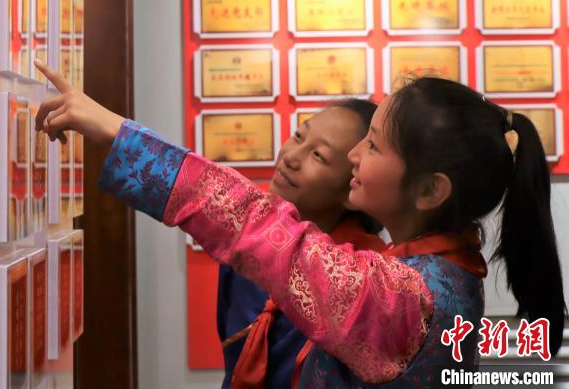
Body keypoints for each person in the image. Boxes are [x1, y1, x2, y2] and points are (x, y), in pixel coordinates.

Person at [34, 60, 566, 388]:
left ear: (430, 190)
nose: (355, 155)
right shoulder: (428, 277)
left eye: (373, 146)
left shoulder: (404, 300)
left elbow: (253, 225)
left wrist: (115, 132)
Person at [218, 100, 384, 389]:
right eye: (298, 136)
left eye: (318, 155)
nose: (291, 157)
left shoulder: (367, 276)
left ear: (353, 184)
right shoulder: (247, 246)